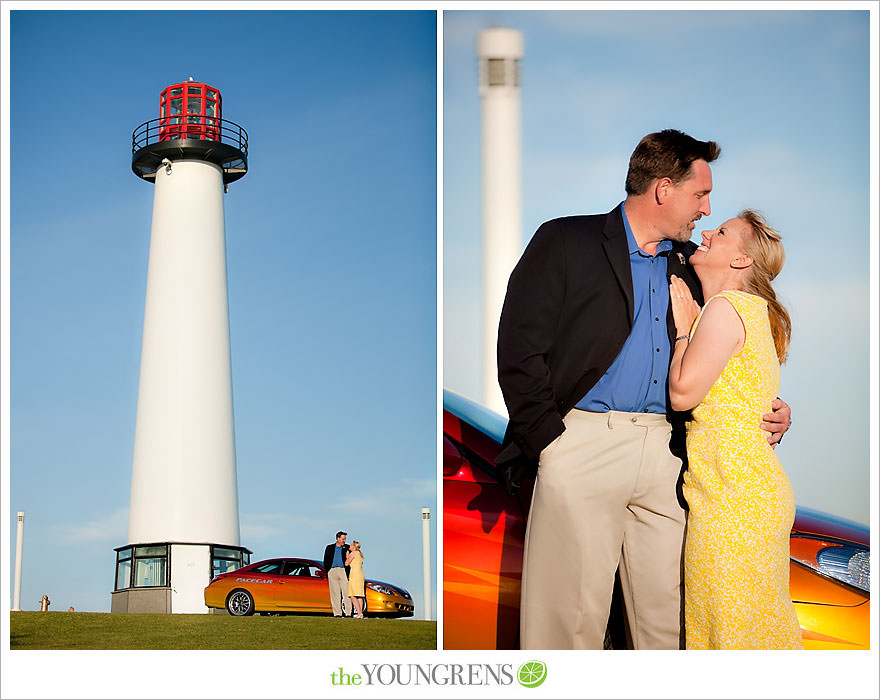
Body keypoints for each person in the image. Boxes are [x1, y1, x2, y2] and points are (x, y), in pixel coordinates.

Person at [495, 129, 792, 650]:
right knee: (566, 626)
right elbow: (519, 350)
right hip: (581, 443)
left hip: (672, 459)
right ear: (663, 188)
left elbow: (734, 355)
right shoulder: (565, 241)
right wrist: (552, 444)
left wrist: (772, 409)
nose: (705, 210)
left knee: (673, 628)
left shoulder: (695, 265)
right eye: (700, 194)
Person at [668, 211, 802, 649]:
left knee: (729, 637)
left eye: (721, 232)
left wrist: (683, 332)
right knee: (749, 636)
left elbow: (683, 393)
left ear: (742, 261)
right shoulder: (754, 312)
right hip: (742, 493)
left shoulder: (725, 309)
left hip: (734, 500)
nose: (706, 233)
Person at [322, 531, 351, 617]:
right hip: (332, 571)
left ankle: (348, 613)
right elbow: (326, 560)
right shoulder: (329, 547)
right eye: (343, 539)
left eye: (345, 539)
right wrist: (328, 570)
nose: (344, 540)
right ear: (338, 538)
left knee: (346, 593)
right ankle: (337, 613)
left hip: (343, 571)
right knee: (335, 593)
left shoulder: (347, 547)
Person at [346, 541, 366, 618]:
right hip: (360, 575)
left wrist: (347, 556)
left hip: (354, 575)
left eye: (351, 545)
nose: (350, 546)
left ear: (354, 547)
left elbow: (347, 563)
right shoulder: (360, 554)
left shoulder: (353, 553)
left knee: (352, 595)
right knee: (359, 595)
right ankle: (360, 613)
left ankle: (359, 612)